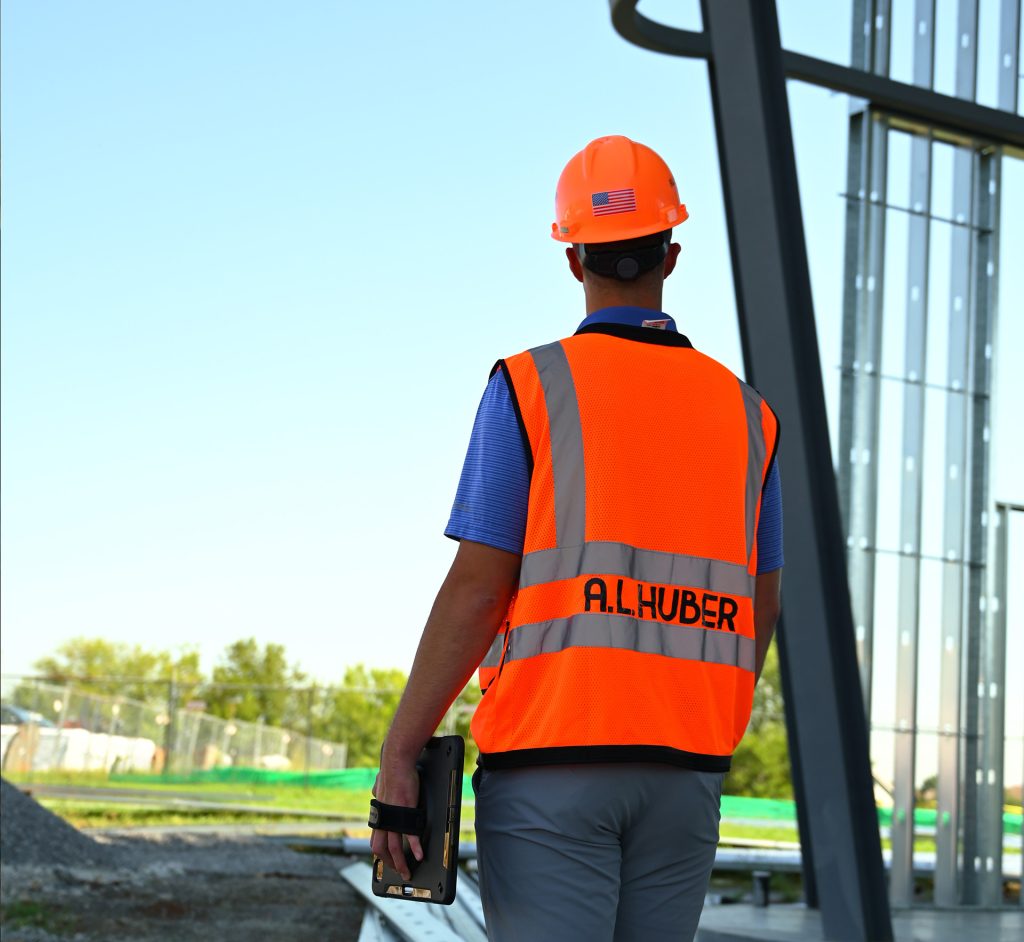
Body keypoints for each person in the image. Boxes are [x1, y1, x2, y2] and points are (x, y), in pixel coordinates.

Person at [369, 135, 783, 942]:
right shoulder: (750, 417)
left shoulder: (529, 386)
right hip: (686, 771)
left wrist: (400, 753)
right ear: (671, 251)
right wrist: (704, 729)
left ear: (572, 258)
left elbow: (480, 589)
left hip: (552, 762)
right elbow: (759, 605)